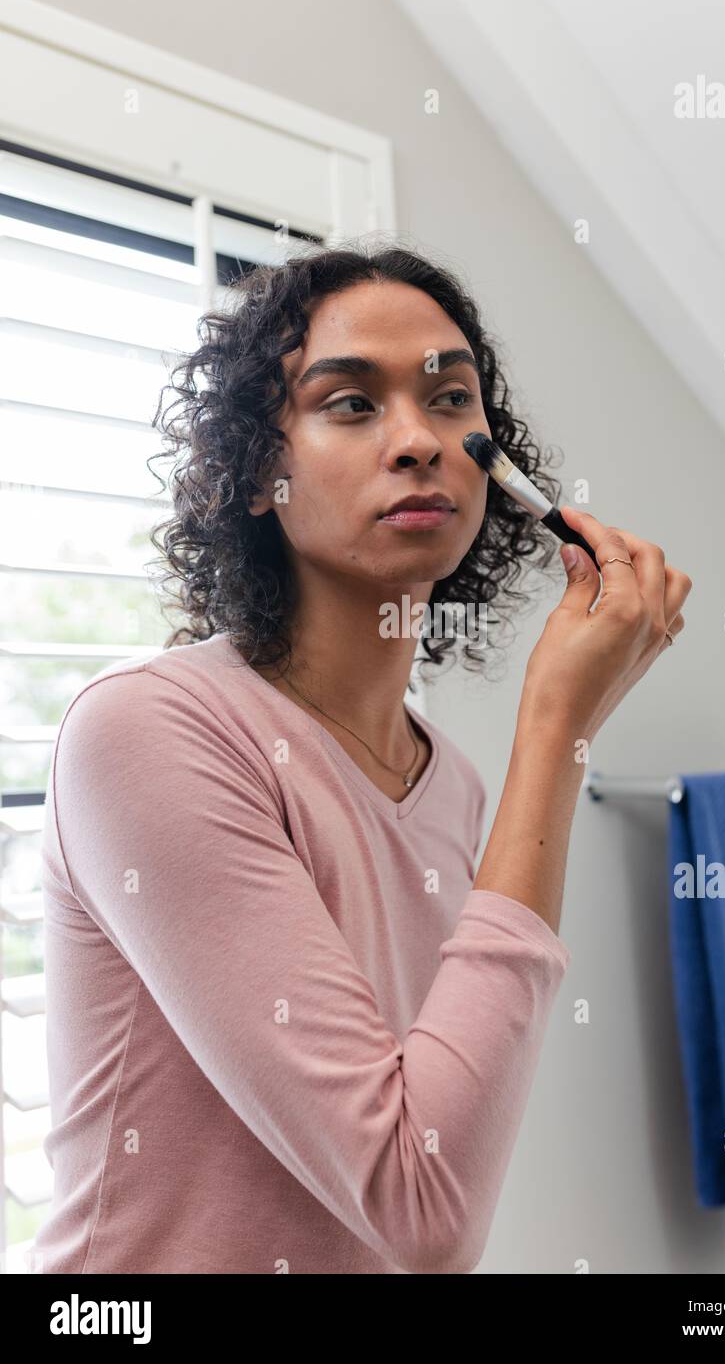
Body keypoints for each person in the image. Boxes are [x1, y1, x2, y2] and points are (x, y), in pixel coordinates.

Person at [34, 243, 691, 1274]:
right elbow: (423, 1207)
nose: (418, 440)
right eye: (351, 403)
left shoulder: (455, 786)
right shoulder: (150, 732)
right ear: (261, 470)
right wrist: (558, 725)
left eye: (451, 398)